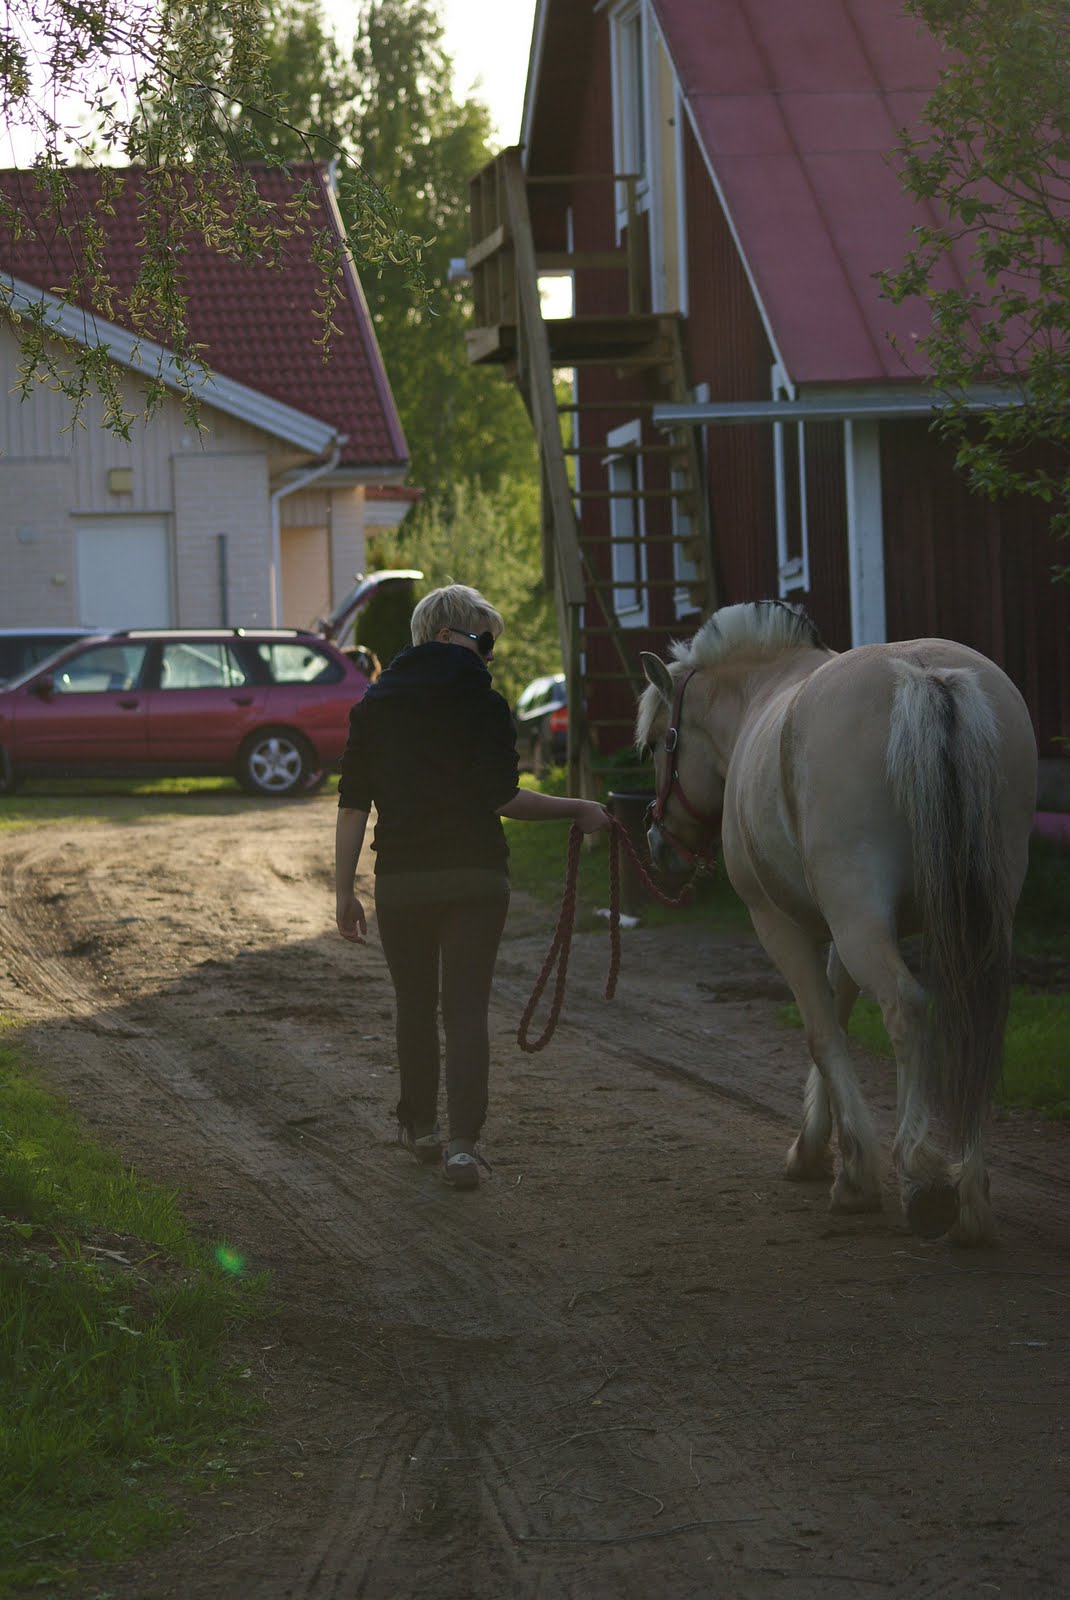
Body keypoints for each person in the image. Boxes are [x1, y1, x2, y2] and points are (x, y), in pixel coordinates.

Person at [335, 583, 610, 1189]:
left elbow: (353, 805)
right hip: (477, 879)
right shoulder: (484, 704)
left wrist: (343, 891)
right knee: (465, 1011)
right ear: (447, 636)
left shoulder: (372, 707)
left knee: (414, 1006)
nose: (489, 655)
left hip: (402, 880)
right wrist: (578, 808)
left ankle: (421, 1129)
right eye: (484, 642)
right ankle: (462, 1148)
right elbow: (503, 798)